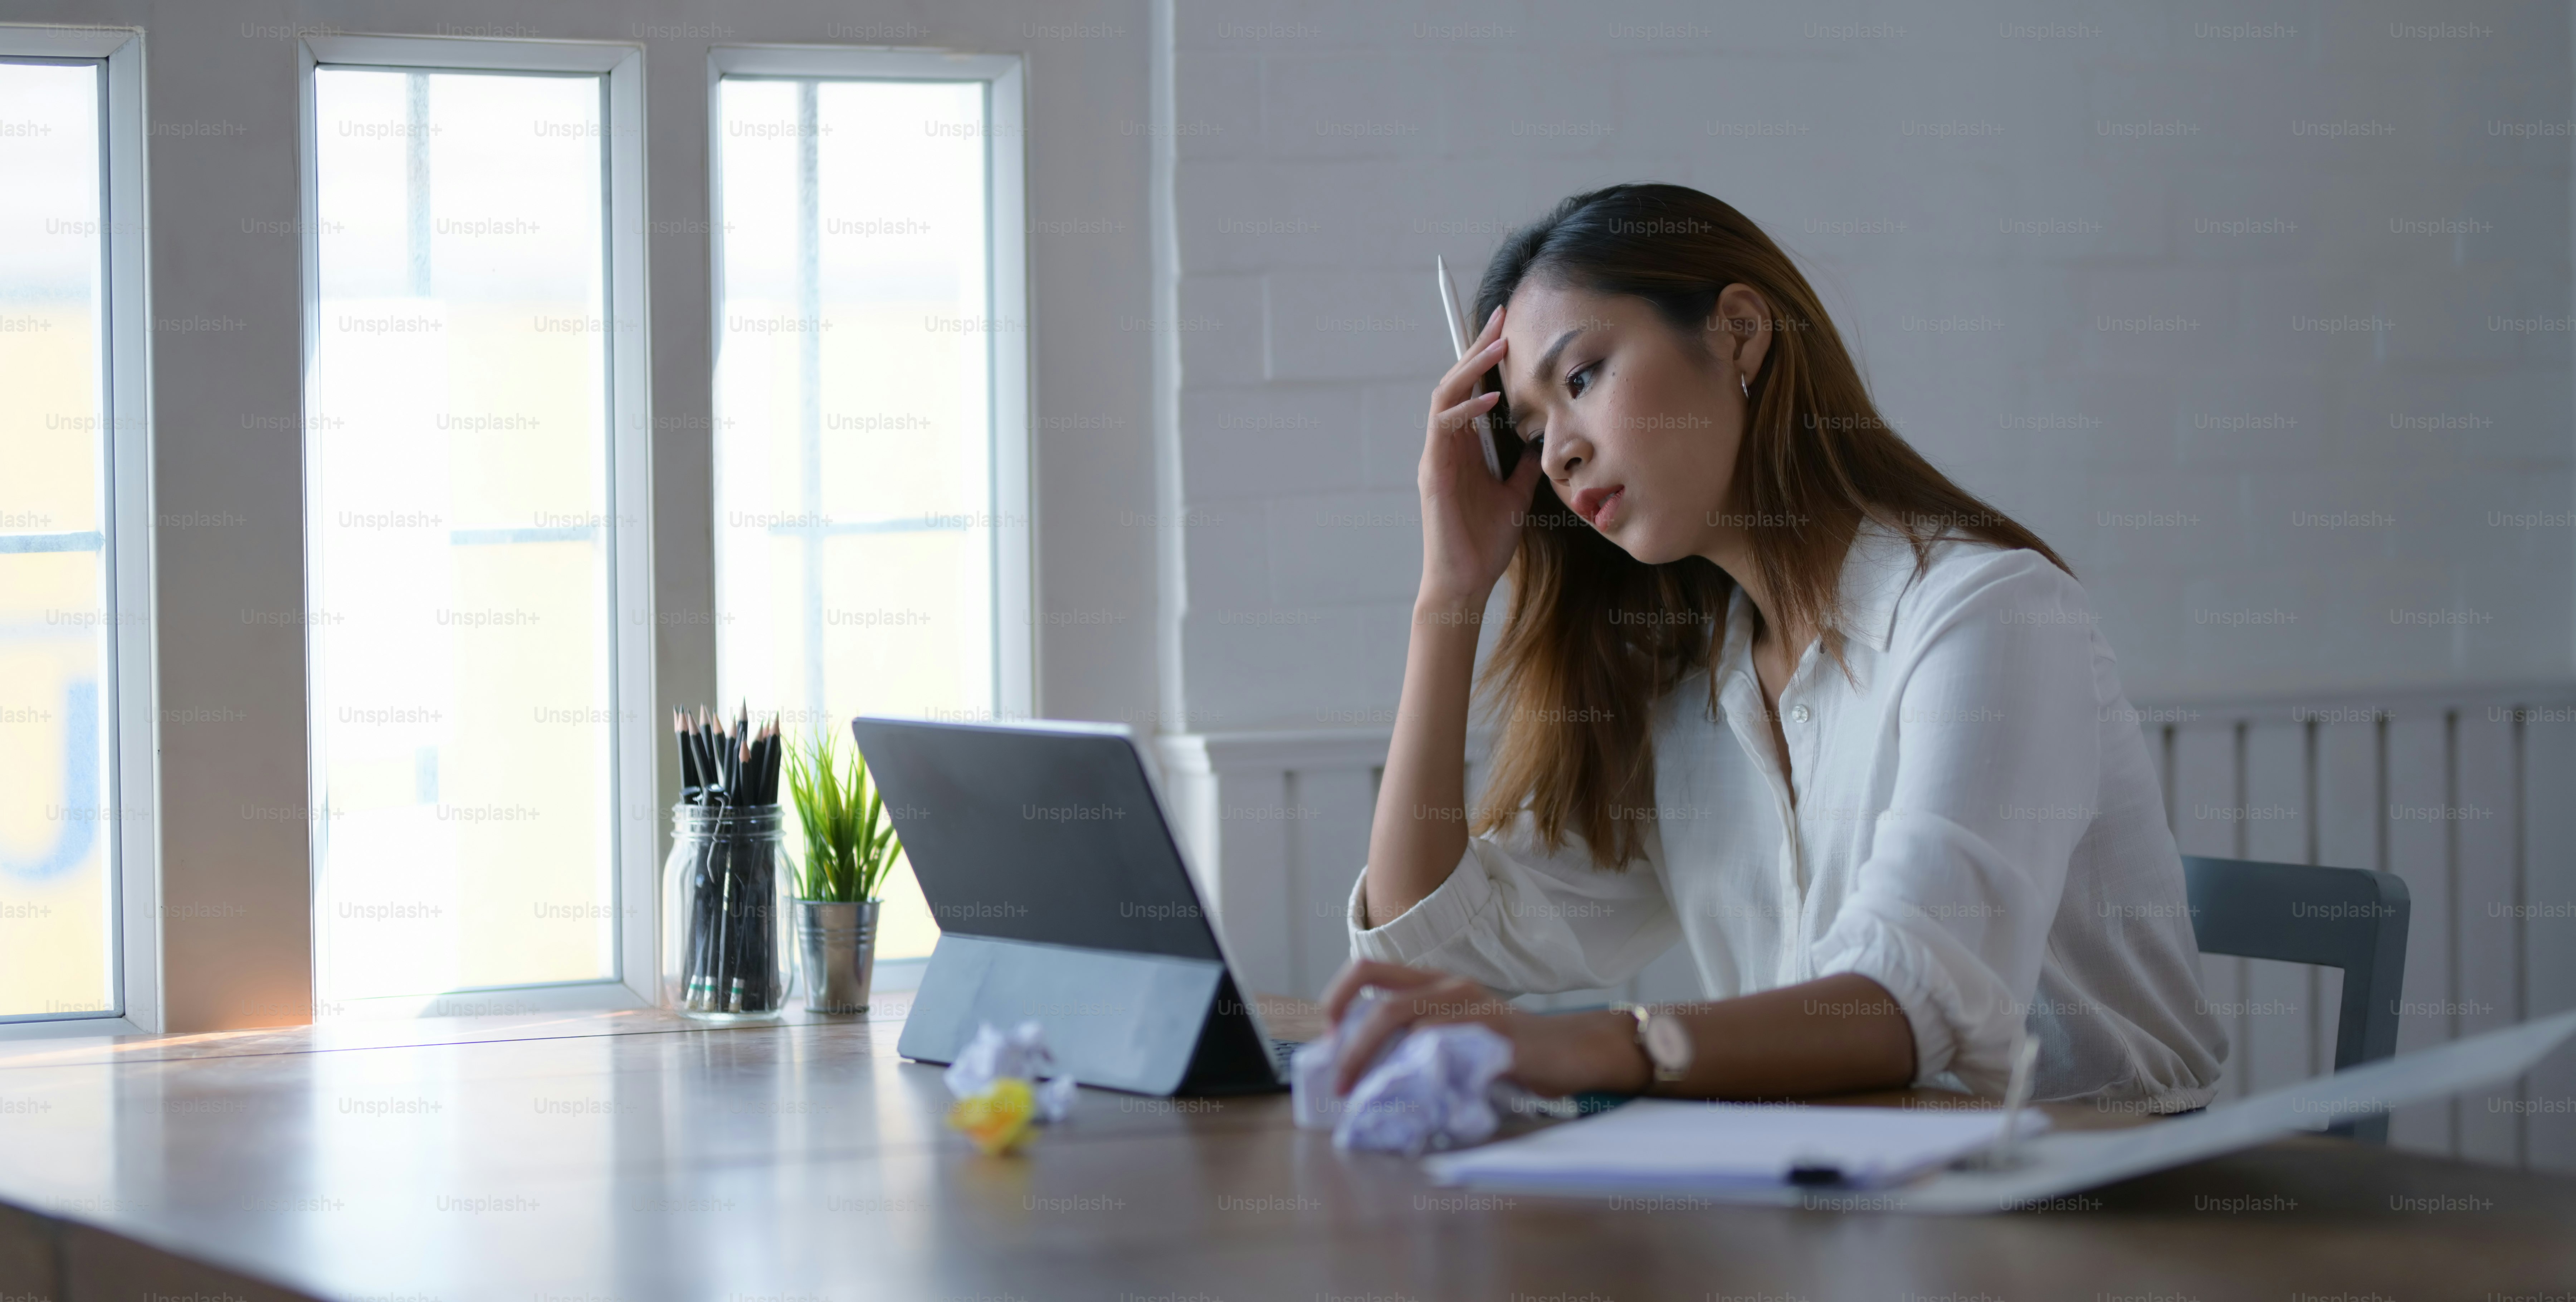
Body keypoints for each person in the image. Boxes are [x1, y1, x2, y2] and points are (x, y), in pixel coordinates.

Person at [1326, 184, 2224, 1111]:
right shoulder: (1696, 698)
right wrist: (1451, 594)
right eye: (1527, 430)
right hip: (1840, 1207)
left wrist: (1596, 1046)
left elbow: (1911, 999)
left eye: (1583, 378)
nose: (1556, 454)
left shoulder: (1991, 615)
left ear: (1740, 332)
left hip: (2093, 1213)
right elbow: (1426, 952)